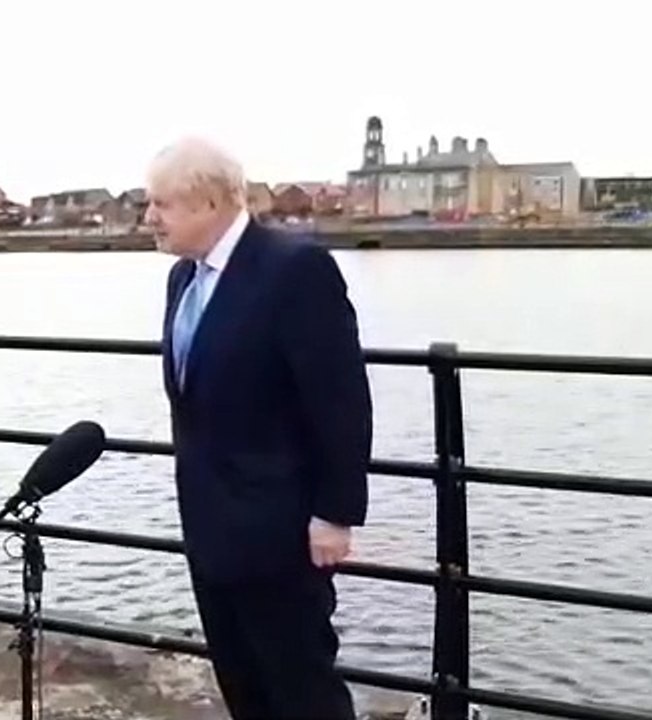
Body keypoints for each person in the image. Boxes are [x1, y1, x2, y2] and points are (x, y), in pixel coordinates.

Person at [146, 137, 372, 719]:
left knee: (301, 688)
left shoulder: (294, 270)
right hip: (210, 527)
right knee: (243, 686)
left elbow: (340, 399)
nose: (150, 218)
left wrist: (335, 513)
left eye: (160, 204)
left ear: (209, 203)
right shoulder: (182, 279)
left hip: (281, 531)